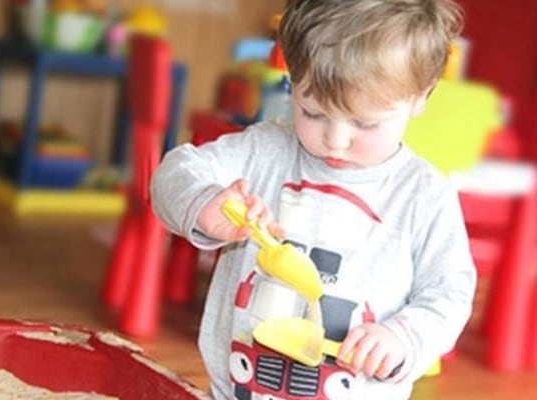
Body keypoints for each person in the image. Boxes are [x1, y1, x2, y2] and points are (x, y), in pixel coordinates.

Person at [151, 0, 476, 398]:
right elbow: (174, 171)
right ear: (292, 78)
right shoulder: (264, 151)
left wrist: (404, 338)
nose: (335, 140)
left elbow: (449, 294)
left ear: (420, 96)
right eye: (312, 111)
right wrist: (204, 203)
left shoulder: (424, 195)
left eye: (364, 122)